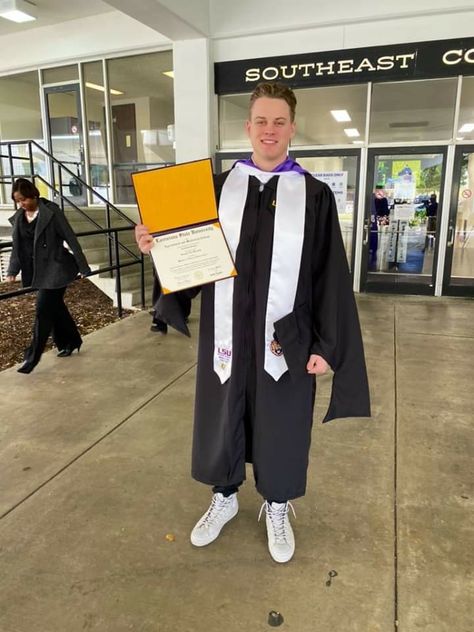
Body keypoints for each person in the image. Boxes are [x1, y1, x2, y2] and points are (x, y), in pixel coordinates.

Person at [135, 82, 370, 564]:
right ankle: (223, 497)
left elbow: (330, 276)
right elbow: (188, 260)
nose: (269, 130)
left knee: (282, 421)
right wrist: (156, 245)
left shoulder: (315, 195)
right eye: (261, 121)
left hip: (288, 338)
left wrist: (326, 344)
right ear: (247, 127)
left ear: (291, 128)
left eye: (278, 121)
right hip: (226, 334)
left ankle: (277, 504)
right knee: (223, 415)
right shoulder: (216, 189)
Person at [6, 178, 91, 374]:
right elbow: (17, 247)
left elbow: (70, 238)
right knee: (56, 307)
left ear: (34, 195)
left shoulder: (51, 212)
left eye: (24, 199)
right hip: (38, 271)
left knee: (42, 311)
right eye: (18, 201)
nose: (21, 204)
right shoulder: (19, 218)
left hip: (57, 268)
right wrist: (12, 270)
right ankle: (71, 341)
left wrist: (83, 266)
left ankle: (32, 357)